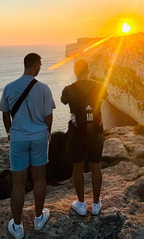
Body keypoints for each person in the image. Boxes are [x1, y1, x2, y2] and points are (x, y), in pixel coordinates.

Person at [0, 53, 56, 239]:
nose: (40, 67)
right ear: (36, 66)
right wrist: (47, 133)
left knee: (18, 184)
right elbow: (48, 117)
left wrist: (10, 132)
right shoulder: (44, 89)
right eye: (40, 64)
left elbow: (5, 114)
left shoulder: (9, 87)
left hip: (18, 139)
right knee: (39, 179)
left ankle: (17, 226)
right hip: (39, 137)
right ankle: (39, 218)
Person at [60, 58, 108, 217]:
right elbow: (105, 96)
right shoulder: (99, 86)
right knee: (96, 167)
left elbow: (63, 101)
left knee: (77, 168)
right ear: (88, 70)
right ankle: (96, 204)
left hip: (76, 133)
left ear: (75, 71)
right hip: (95, 133)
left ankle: (80, 204)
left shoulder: (68, 89)